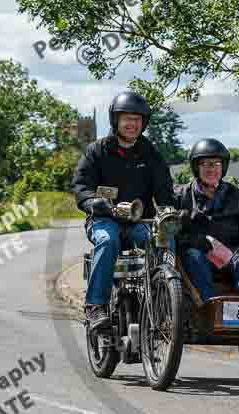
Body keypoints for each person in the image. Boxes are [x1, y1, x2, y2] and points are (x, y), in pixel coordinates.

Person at [72, 90, 176, 331]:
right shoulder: (97, 151)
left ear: (144, 123)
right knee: (107, 241)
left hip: (140, 223)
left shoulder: (151, 154)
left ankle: (162, 302)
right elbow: (80, 186)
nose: (132, 124)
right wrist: (91, 202)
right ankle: (95, 306)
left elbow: (165, 192)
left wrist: (170, 211)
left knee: (164, 239)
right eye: (127, 119)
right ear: (115, 121)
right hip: (104, 221)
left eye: (138, 119)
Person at [175, 138, 239, 302]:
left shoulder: (238, 197)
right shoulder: (180, 195)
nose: (211, 169)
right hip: (198, 257)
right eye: (205, 164)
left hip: (231, 256)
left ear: (223, 167)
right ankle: (212, 308)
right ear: (196, 167)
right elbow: (168, 228)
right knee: (193, 255)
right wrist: (191, 238)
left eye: (216, 164)